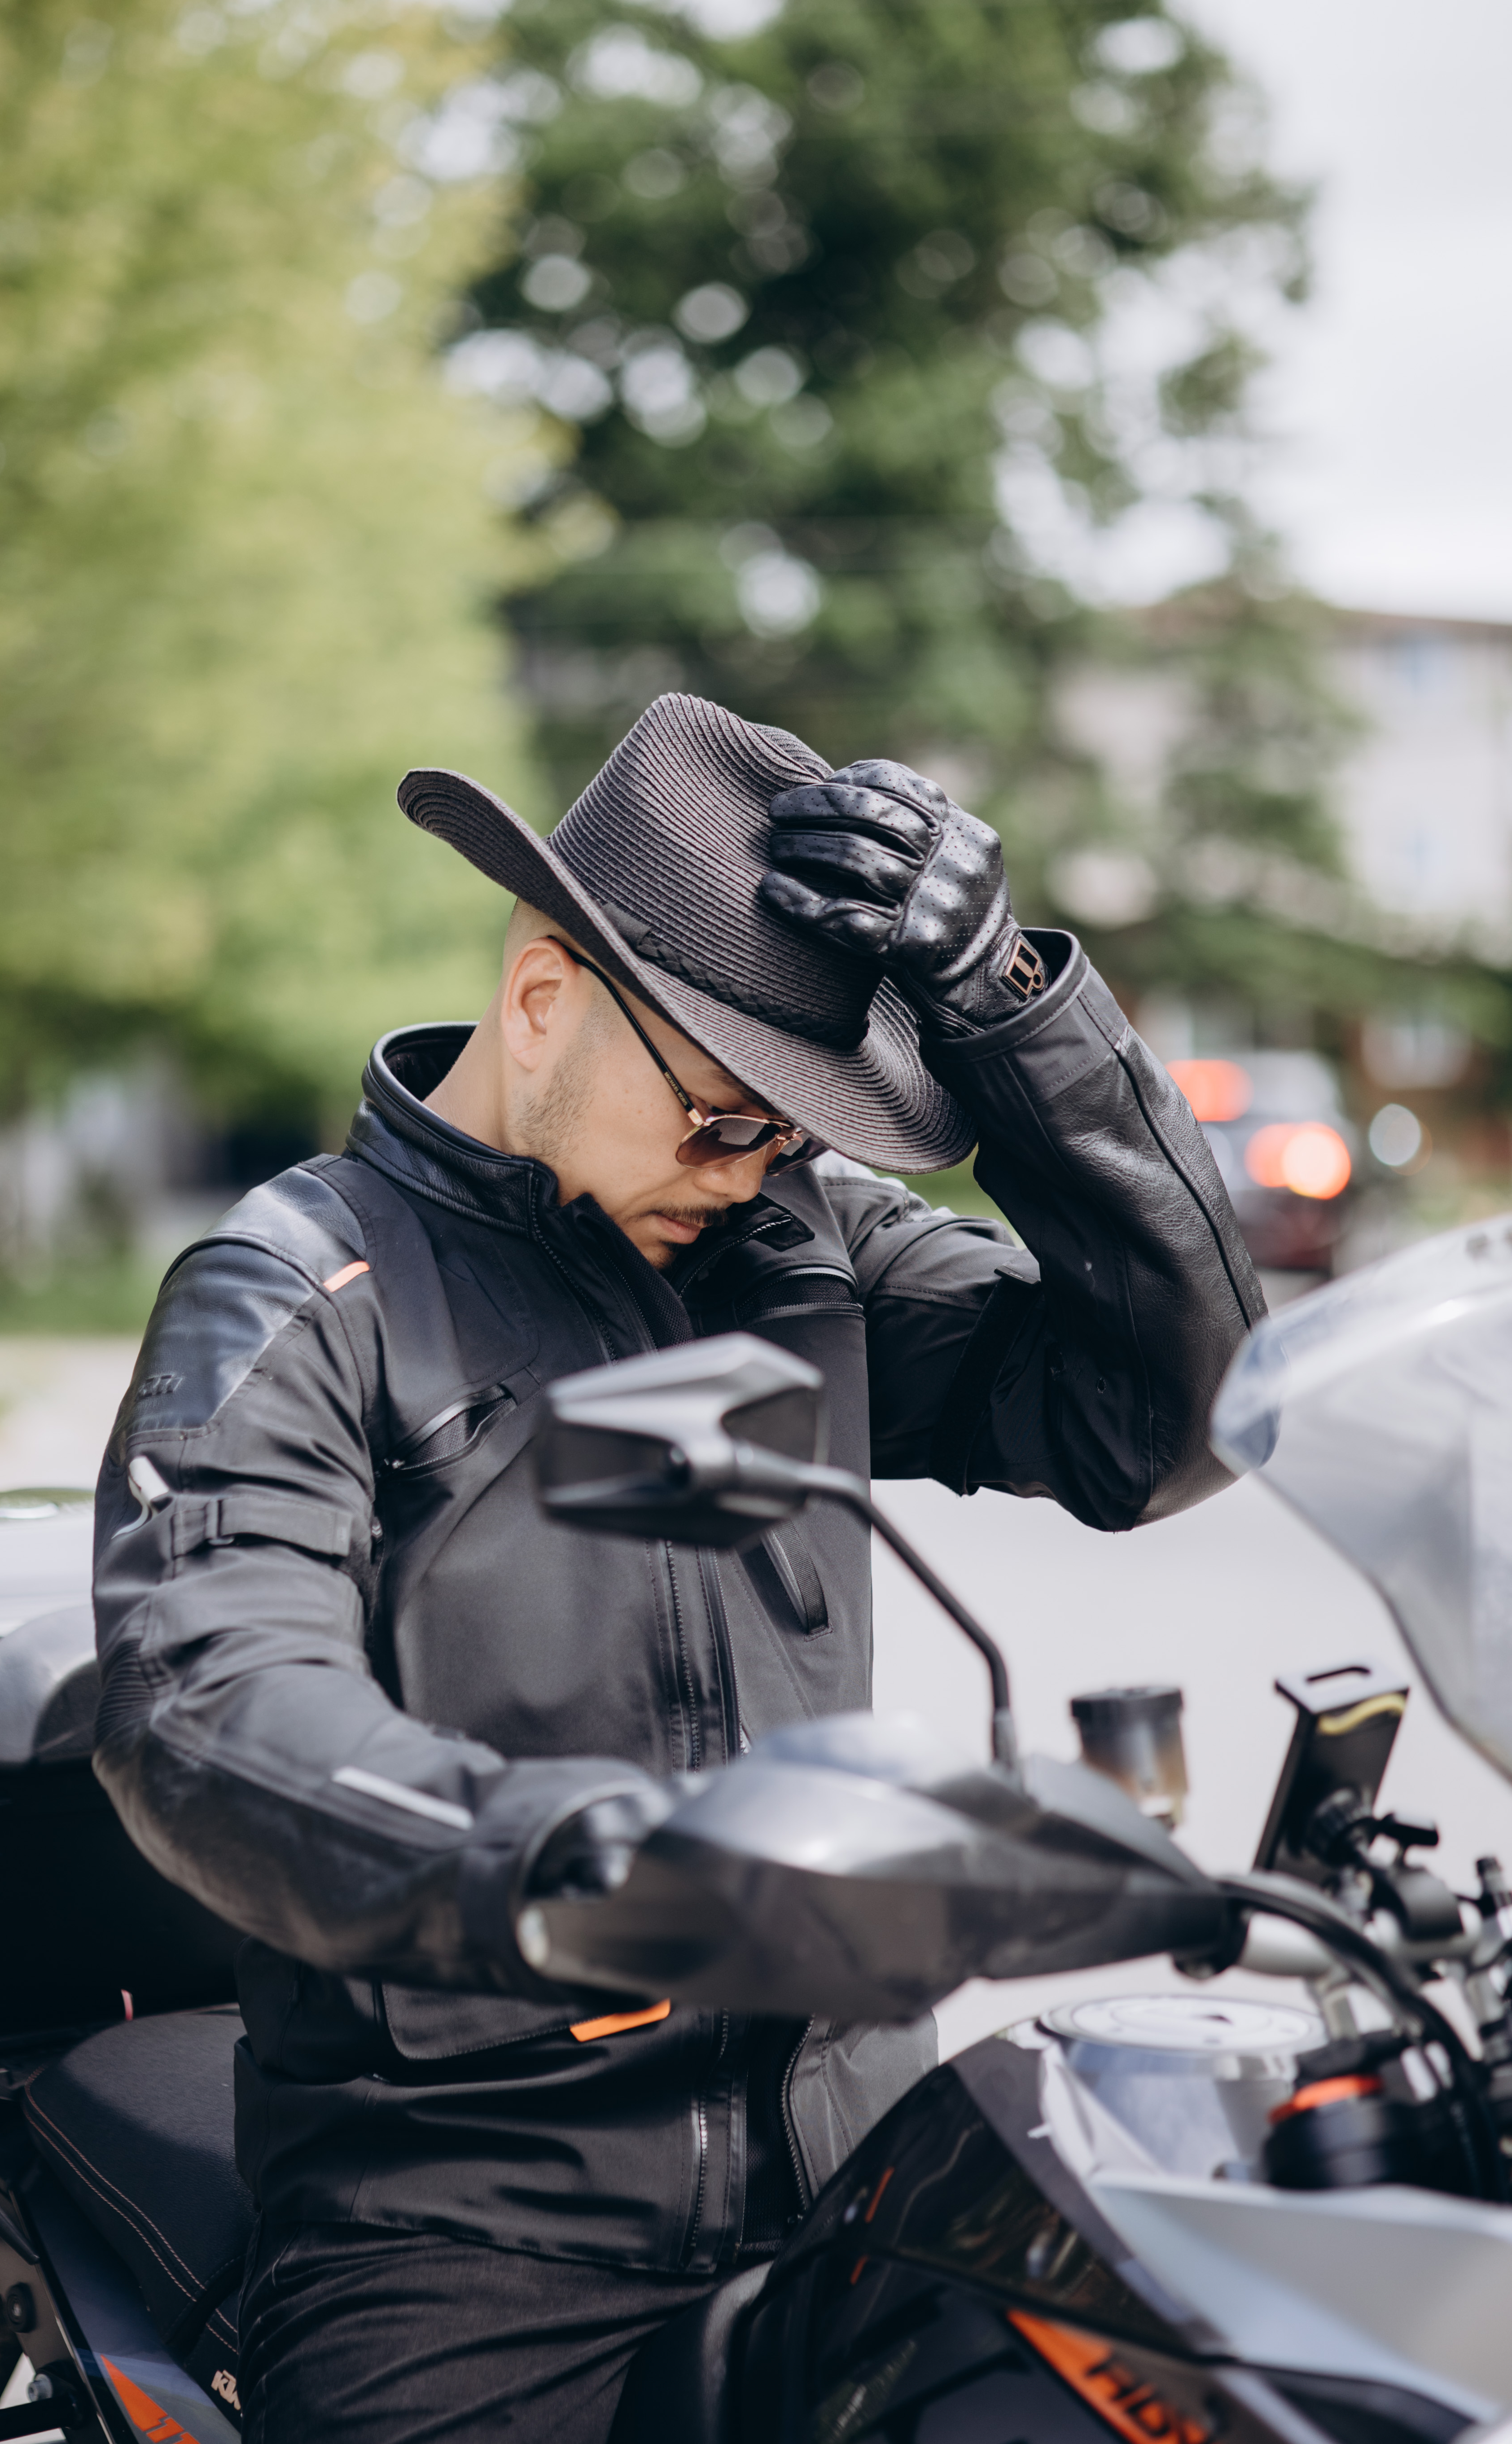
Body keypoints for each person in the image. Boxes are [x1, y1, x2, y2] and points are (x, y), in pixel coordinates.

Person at [92, 693, 1262, 2444]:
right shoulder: (301, 1298)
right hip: (474, 2229)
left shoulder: (799, 1248)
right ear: (542, 1000)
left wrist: (1022, 1016)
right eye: (721, 1116)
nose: (751, 1169)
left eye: (791, 1131)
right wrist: (607, 1866)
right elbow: (210, 1708)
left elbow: (1167, 1420)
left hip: (865, 2159)